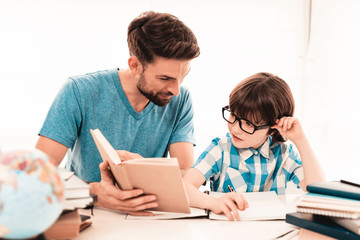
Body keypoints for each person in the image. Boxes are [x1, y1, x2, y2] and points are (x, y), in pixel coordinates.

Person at [35, 11, 200, 215]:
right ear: (135, 66)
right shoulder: (78, 91)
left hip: (150, 219)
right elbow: (36, 175)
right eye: (165, 78)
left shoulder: (180, 99)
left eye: (182, 77)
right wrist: (96, 194)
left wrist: (147, 167)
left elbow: (187, 175)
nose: (175, 90)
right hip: (90, 212)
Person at [183, 72, 325, 221]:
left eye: (248, 124)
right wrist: (214, 203)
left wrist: (300, 140)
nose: (235, 128)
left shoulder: (284, 154)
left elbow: (320, 193)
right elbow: (184, 188)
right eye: (233, 115)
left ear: (272, 127)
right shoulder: (220, 149)